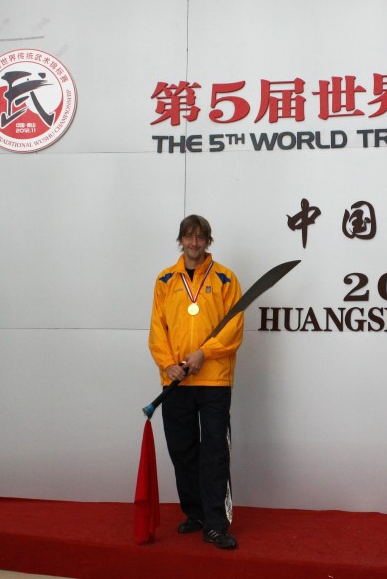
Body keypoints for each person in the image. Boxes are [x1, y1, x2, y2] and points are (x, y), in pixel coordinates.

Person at [148, 214, 244, 550]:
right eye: (189, 237)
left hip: (214, 380)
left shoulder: (225, 279)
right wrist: (167, 364)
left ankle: (217, 523)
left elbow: (234, 330)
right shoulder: (164, 280)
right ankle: (196, 512)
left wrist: (206, 352)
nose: (194, 243)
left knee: (215, 452)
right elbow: (157, 329)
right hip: (176, 381)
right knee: (183, 451)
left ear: (207, 241)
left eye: (200, 237)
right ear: (181, 240)